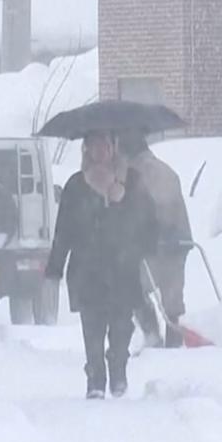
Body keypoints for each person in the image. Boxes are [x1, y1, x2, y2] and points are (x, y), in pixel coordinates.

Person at [45, 131, 158, 399]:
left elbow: (148, 220)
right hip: (88, 269)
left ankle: (118, 369)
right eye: (93, 145)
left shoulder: (131, 181)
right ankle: (95, 378)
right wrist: (55, 266)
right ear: (86, 149)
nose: (99, 151)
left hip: (123, 268)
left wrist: (145, 245)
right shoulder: (76, 185)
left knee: (121, 327)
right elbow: (64, 230)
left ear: (113, 148)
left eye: (104, 145)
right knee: (92, 328)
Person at [118, 129, 193, 349]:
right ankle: (174, 343)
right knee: (173, 299)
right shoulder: (167, 171)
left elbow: (140, 212)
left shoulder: (135, 174)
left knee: (133, 290)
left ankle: (153, 336)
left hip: (152, 245)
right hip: (178, 241)